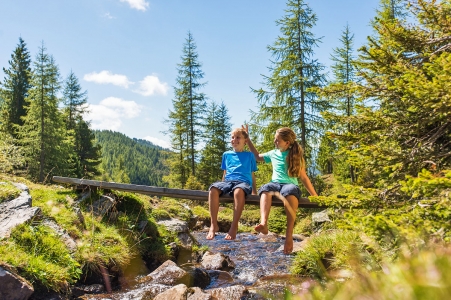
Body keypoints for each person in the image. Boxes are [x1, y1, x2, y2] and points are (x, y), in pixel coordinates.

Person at [243, 125, 317, 254]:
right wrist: (248, 139)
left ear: (287, 143)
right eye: (275, 139)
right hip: (274, 184)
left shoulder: (295, 155)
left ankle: (289, 235)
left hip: (289, 185)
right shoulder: (273, 153)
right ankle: (264, 223)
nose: (275, 142)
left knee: (290, 192)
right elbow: (257, 156)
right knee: (265, 189)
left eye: (277, 140)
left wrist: (315, 196)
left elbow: (304, 177)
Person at [207, 127, 258, 240]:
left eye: (238, 137)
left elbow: (252, 174)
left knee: (238, 192)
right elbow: (225, 173)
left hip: (243, 182)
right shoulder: (226, 154)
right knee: (213, 189)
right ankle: (213, 225)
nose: (234, 139)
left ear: (245, 141)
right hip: (228, 182)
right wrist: (221, 187)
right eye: (232, 137)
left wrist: (254, 191)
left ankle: (233, 227)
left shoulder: (249, 156)